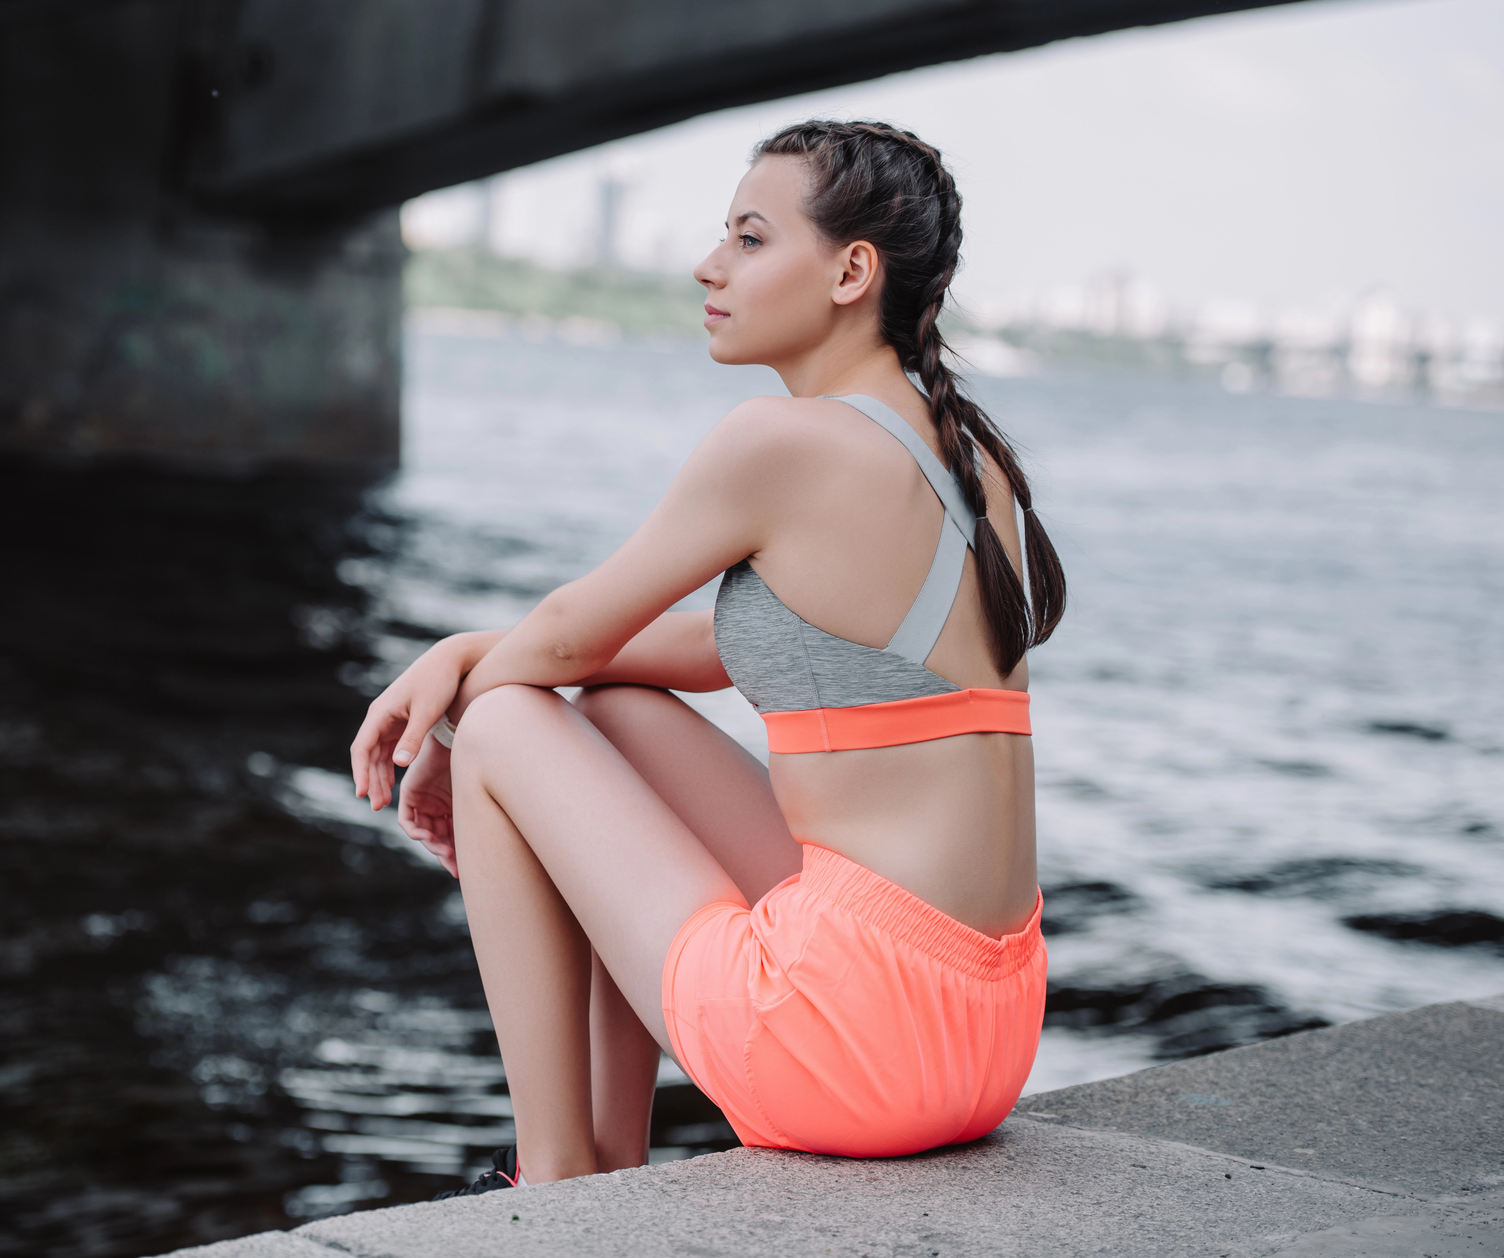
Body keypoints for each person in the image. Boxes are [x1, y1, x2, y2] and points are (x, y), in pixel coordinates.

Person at [349, 120, 1066, 1196]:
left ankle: (548, 1182)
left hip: (853, 1054)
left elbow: (562, 637)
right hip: (981, 1041)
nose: (707, 264)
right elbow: (679, 651)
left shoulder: (780, 443)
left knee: (506, 722)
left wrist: (460, 712)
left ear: (848, 271)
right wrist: (470, 653)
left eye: (746, 237)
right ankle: (611, 1163)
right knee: (616, 711)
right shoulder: (967, 459)